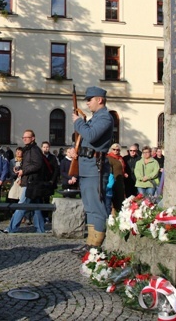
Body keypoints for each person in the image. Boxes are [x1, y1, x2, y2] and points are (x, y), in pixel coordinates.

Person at [71, 86, 113, 254]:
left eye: (90, 99)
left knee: (96, 205)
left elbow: (92, 135)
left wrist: (78, 121)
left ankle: (97, 244)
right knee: (89, 206)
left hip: (95, 167)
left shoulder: (105, 118)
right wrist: (75, 150)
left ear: (99, 100)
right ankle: (91, 242)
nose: (87, 103)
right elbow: (85, 140)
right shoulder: (95, 118)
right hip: (87, 166)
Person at [1, 130, 46, 234]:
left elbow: (37, 165)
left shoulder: (34, 150)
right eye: (23, 137)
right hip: (30, 181)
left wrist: (23, 171)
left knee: (21, 205)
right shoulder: (28, 149)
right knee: (36, 206)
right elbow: (28, 164)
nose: (24, 139)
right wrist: (19, 168)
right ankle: (40, 229)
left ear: (33, 138)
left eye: (27, 137)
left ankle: (11, 228)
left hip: (31, 182)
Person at [106, 143, 126, 215]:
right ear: (111, 150)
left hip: (120, 180)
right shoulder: (109, 158)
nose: (116, 151)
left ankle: (118, 213)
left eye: (117, 150)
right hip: (113, 180)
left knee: (120, 198)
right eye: (114, 149)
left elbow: (122, 168)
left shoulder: (120, 158)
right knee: (111, 198)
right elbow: (109, 170)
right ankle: (111, 214)